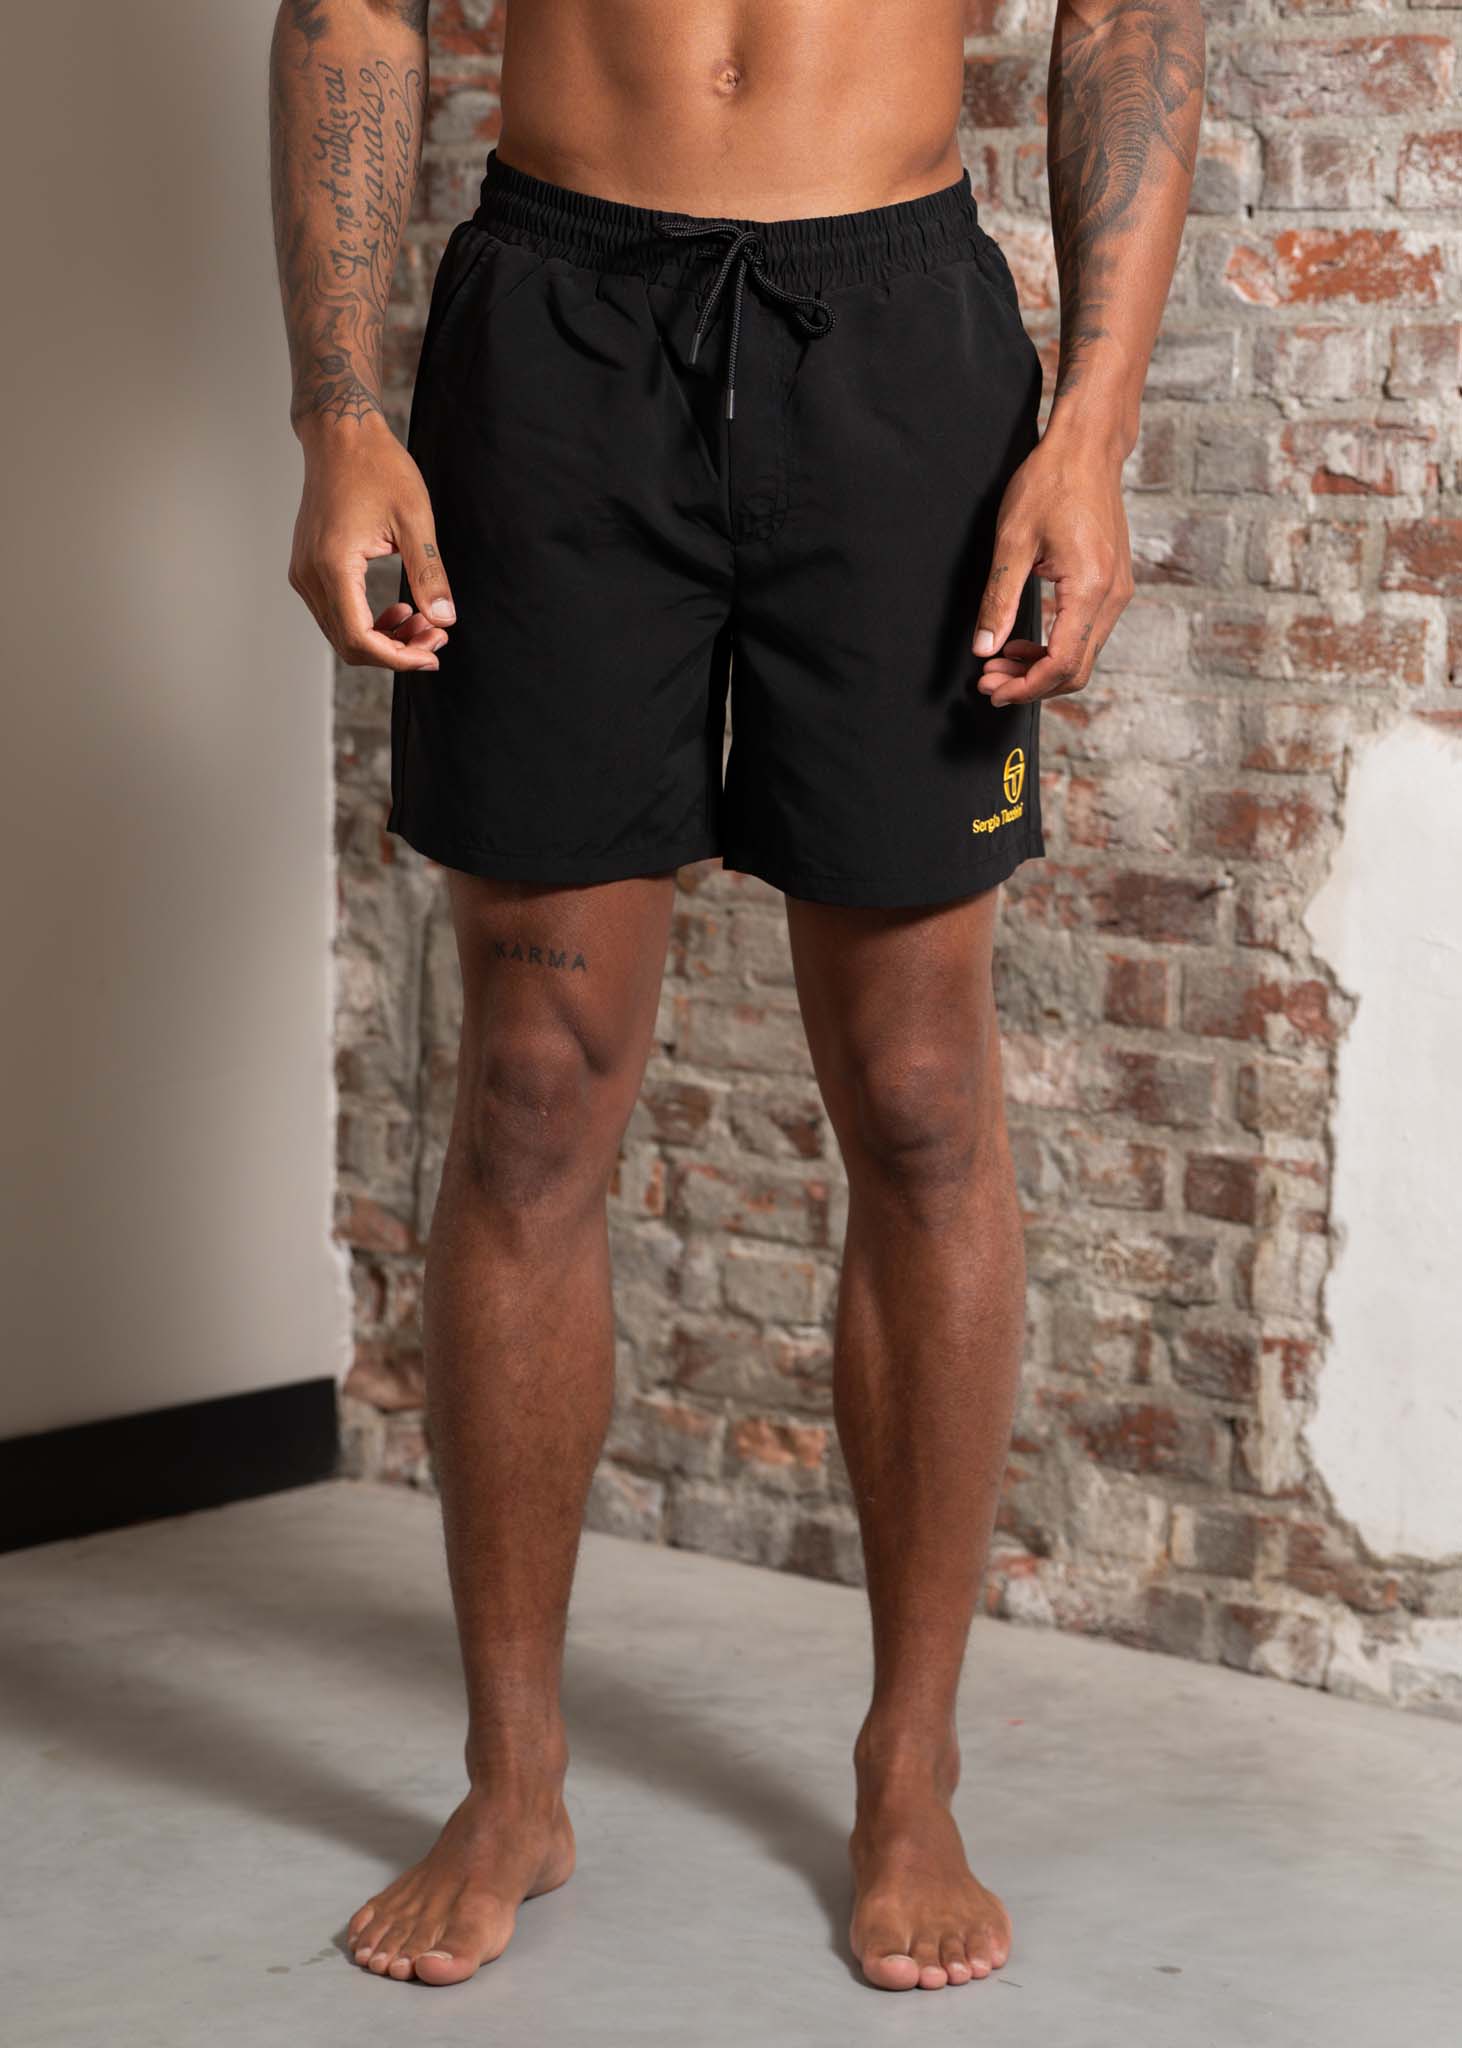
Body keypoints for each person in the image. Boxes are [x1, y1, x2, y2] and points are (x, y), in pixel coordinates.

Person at [269, 0, 1203, 1994]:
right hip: (552, 334)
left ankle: (907, 1769)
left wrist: (1093, 424)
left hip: (896, 345)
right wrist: (338, 407)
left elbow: (1125, 17)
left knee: (922, 1097)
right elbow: (351, 6)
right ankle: (513, 1777)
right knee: (529, 1088)